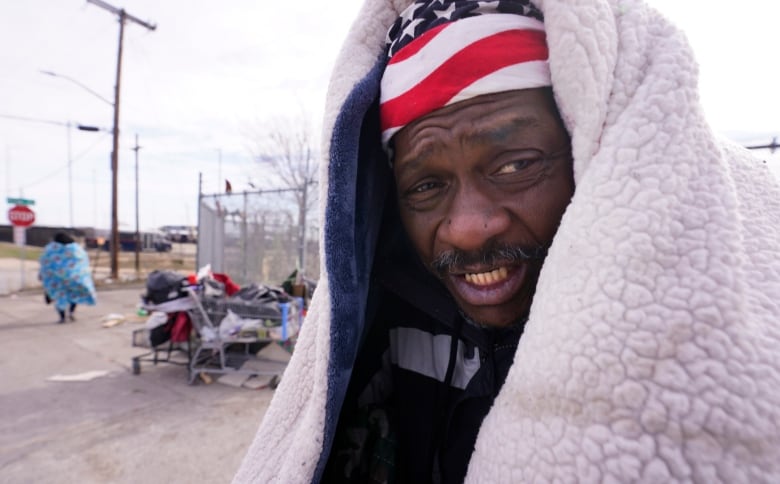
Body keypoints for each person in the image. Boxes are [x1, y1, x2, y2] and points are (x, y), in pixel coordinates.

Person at [234, 0, 780, 482]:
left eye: (516, 164)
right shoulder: (389, 324)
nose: (468, 227)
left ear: (590, 147)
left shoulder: (730, 339)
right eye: (426, 185)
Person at [39, 232, 97, 323]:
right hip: (73, 277)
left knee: (59, 296)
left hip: (57, 279)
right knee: (73, 295)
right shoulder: (76, 248)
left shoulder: (51, 249)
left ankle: (62, 317)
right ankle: (71, 313)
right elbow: (82, 261)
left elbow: (45, 262)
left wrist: (42, 274)